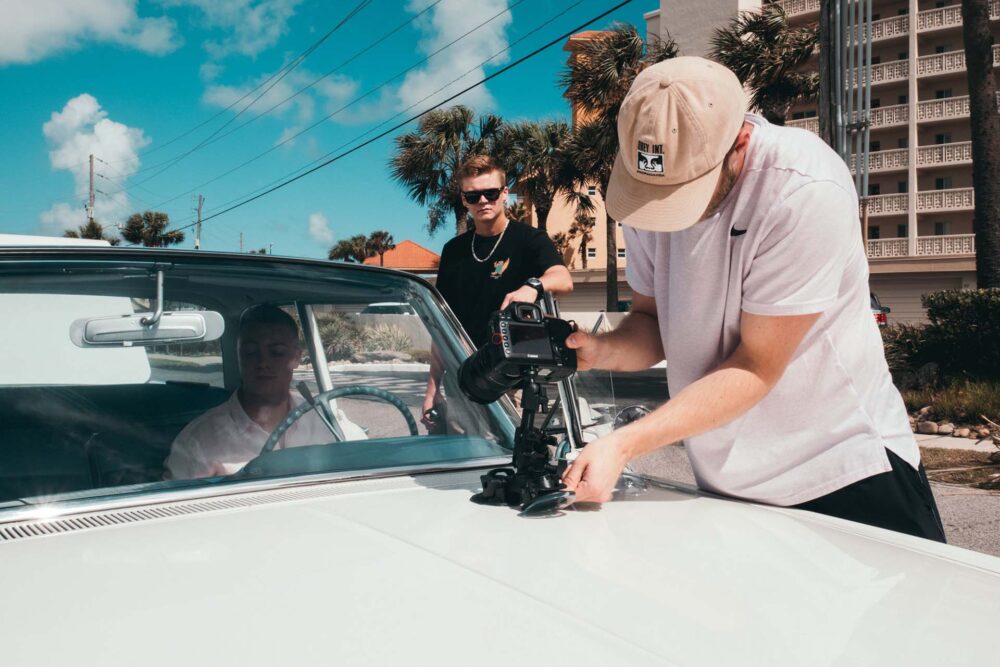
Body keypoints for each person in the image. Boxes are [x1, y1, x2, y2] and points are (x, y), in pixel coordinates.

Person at [561, 57, 945, 542]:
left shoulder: (804, 188)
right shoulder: (647, 191)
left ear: (740, 140)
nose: (662, 211)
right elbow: (652, 320)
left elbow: (757, 364)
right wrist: (601, 352)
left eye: (685, 190)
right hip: (729, 483)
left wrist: (624, 444)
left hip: (844, 471)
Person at [422, 155, 573, 428]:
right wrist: (432, 389)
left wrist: (533, 286)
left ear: (504, 194)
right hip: (463, 373)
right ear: (464, 200)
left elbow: (563, 278)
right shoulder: (453, 251)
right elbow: (441, 327)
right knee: (464, 457)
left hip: (512, 374)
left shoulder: (529, 240)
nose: (482, 201)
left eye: (490, 193)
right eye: (473, 196)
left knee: (510, 455)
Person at [164, 305, 364, 479]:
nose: (263, 363)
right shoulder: (200, 440)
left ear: (296, 358)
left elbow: (368, 460)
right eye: (251, 353)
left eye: (276, 352)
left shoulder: (325, 421)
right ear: (239, 357)